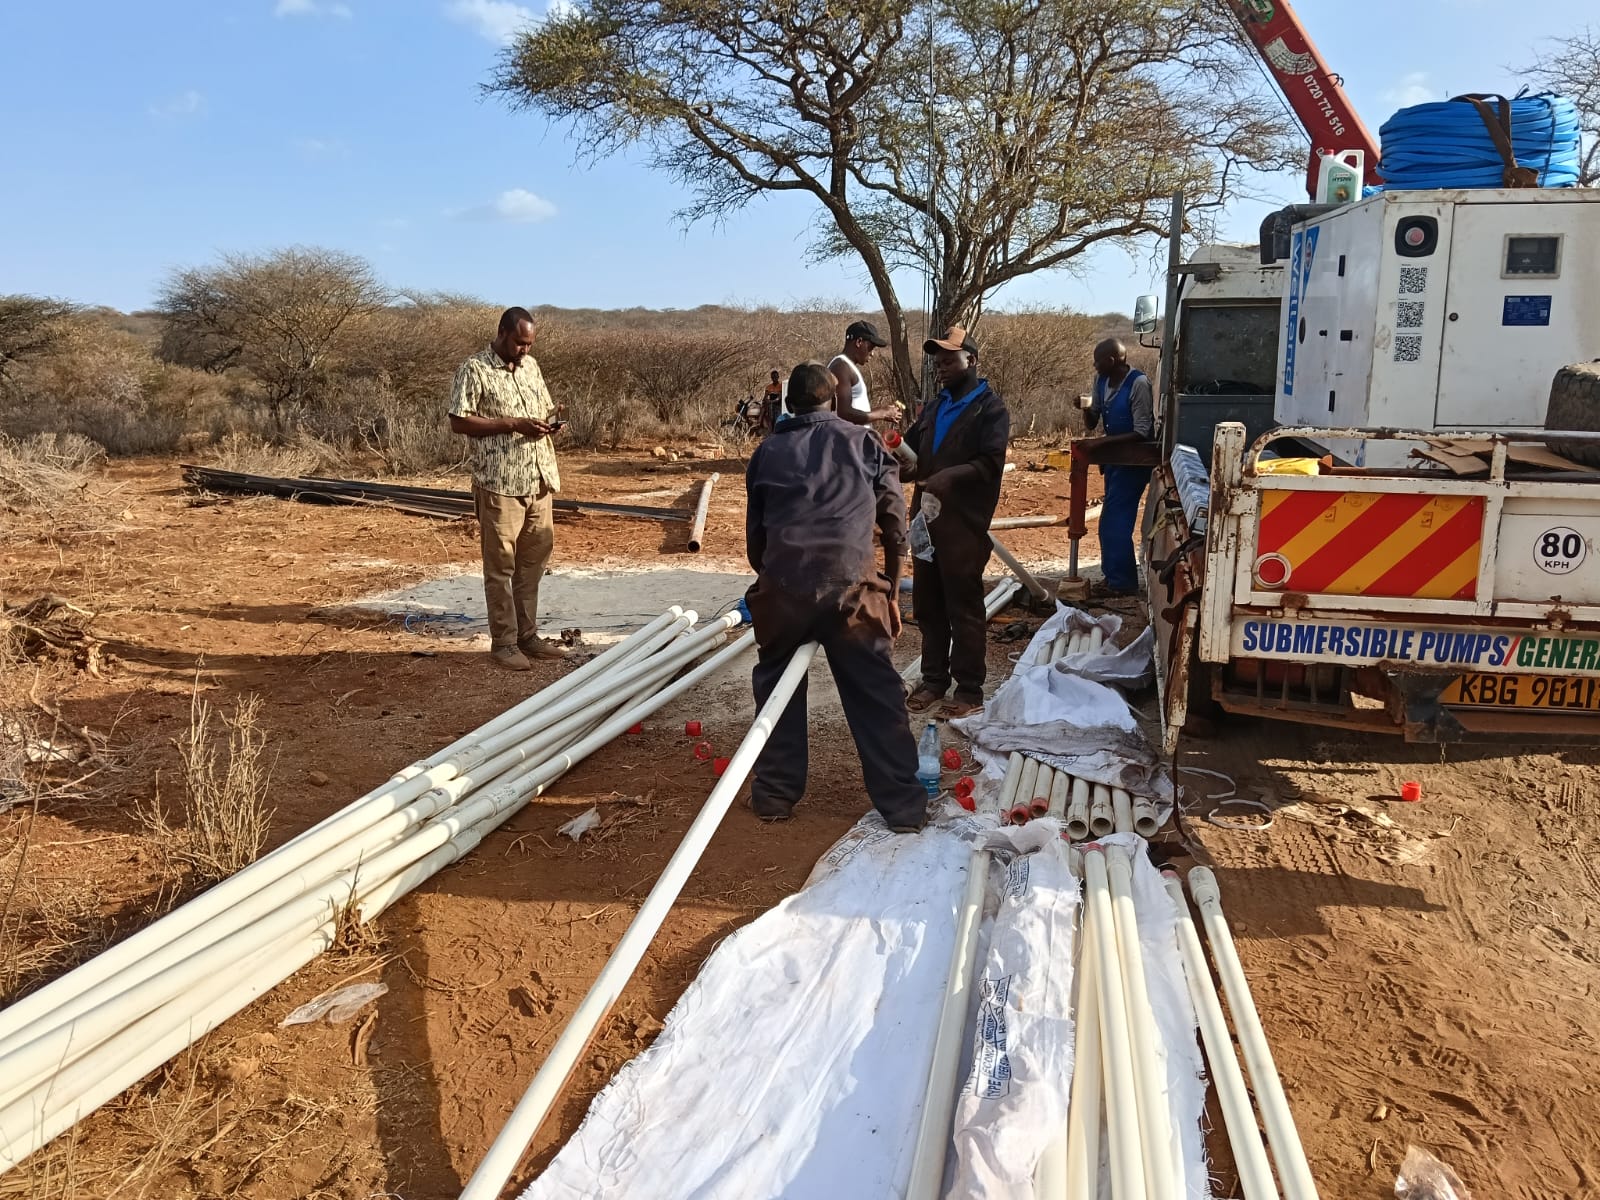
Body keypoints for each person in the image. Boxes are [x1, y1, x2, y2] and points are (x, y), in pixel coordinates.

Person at [743, 361, 928, 832]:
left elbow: (756, 543)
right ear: (832, 400)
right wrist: (891, 592)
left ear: (789, 403)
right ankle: (904, 807)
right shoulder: (865, 442)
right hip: (852, 591)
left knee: (778, 687)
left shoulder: (766, 452)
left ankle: (774, 794)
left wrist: (778, 584)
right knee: (876, 693)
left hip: (785, 591)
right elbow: (895, 525)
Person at [448, 307, 569, 670]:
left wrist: (550, 423)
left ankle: (527, 636)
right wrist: (512, 424)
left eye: (529, 344)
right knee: (500, 567)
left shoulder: (531, 367)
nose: (524, 350)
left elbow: (541, 409)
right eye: (519, 343)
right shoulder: (474, 369)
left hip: (539, 480)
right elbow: (459, 421)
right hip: (499, 483)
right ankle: (503, 642)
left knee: (531, 565)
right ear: (501, 333)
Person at [900, 326, 1010, 718]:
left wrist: (949, 476)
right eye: (937, 362)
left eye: (949, 360)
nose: (941, 368)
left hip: (963, 523)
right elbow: (912, 455)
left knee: (963, 607)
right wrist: (898, 459)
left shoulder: (989, 409)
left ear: (971, 360)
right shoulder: (934, 408)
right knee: (928, 605)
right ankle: (933, 680)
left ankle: (968, 690)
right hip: (926, 522)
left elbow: (991, 462)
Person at [1084, 338, 1155, 596]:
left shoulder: (1138, 384)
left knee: (1115, 521)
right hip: (1114, 461)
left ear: (1111, 361)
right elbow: (1092, 421)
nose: (1095, 366)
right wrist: (1085, 409)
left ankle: (1121, 582)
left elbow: (1142, 431)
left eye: (1098, 362)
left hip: (1133, 462)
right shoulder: (1101, 381)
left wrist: (1101, 443)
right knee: (1110, 520)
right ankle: (1114, 577)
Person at [830, 320, 905, 427]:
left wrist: (882, 411)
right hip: (848, 437)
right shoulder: (841, 367)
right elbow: (844, 413)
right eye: (871, 348)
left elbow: (852, 410)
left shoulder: (846, 366)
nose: (872, 354)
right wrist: (882, 413)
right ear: (859, 342)